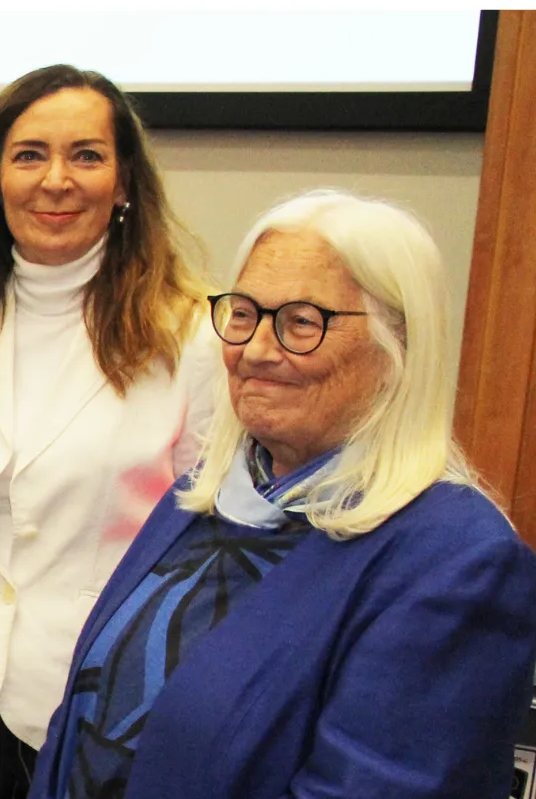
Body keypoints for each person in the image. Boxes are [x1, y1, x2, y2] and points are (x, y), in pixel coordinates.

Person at [30, 192, 536, 797]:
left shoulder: (454, 561)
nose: (257, 351)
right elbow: (86, 723)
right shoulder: (204, 497)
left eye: (301, 322)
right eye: (243, 314)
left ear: (397, 344)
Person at [0, 66, 218, 797]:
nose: (57, 180)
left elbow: (212, 543)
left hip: (105, 708)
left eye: (88, 155)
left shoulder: (190, 337)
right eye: (30, 154)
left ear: (125, 182)